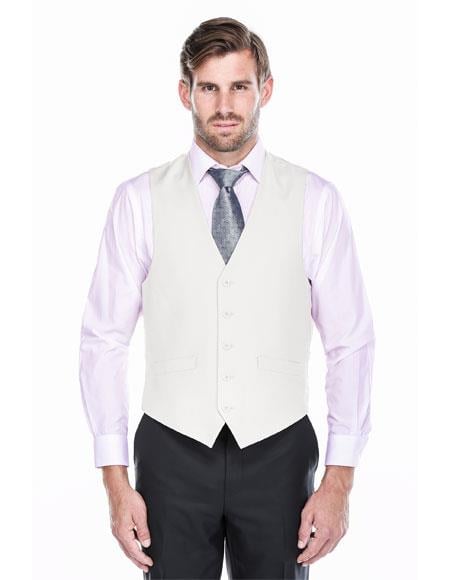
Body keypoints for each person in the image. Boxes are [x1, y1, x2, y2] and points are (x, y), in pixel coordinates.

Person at [79, 16, 375, 580]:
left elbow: (350, 342)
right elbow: (103, 340)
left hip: (279, 448)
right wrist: (115, 481)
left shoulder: (316, 201)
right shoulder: (137, 200)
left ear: (265, 89)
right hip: (170, 448)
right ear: (185, 92)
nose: (224, 105)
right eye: (209, 88)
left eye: (239, 86)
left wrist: (339, 479)